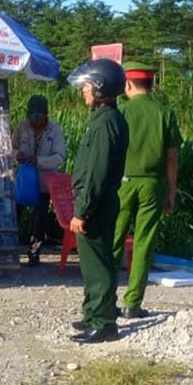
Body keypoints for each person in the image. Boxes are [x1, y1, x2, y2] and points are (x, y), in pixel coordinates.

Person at [113, 61, 183, 319]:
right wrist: (171, 191)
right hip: (153, 184)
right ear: (151, 84)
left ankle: (107, 301)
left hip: (121, 184)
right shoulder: (165, 113)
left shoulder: (119, 111)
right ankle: (133, 303)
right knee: (143, 243)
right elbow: (172, 156)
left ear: (128, 84)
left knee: (114, 239)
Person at [66, 58, 129, 344]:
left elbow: (96, 173)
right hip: (95, 202)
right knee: (91, 263)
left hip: (96, 203)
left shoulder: (107, 124)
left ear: (101, 88)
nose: (84, 91)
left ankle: (104, 323)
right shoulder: (103, 118)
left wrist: (82, 210)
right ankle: (93, 312)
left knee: (99, 264)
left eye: (87, 86)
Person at [12, 95, 67, 265]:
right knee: (14, 215)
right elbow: (11, 147)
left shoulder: (55, 130)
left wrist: (40, 161)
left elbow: (60, 157)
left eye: (38, 116)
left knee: (39, 221)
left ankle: (34, 253)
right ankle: (10, 248)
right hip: (23, 182)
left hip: (44, 183)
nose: (34, 120)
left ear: (45, 115)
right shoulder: (21, 127)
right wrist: (17, 155)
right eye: (32, 116)